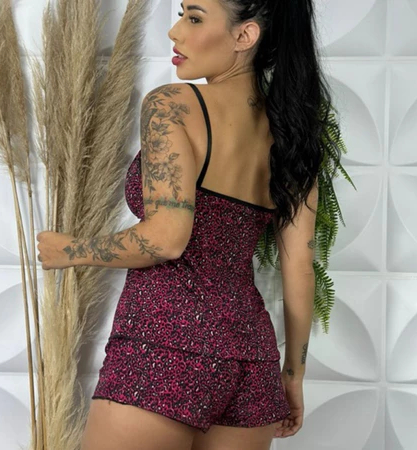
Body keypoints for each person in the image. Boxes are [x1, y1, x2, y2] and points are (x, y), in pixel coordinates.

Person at [37, 0, 331, 449]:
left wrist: (69, 251)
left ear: (244, 36)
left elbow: (165, 238)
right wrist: (293, 374)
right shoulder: (294, 135)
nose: (175, 32)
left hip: (162, 347)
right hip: (251, 364)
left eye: (194, 18)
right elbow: (299, 270)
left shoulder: (173, 106)